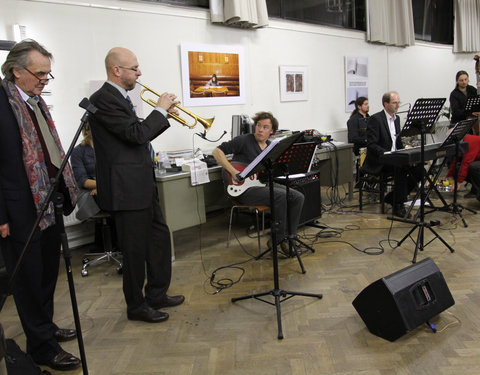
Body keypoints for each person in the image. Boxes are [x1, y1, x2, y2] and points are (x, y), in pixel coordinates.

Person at [88, 47, 184, 324]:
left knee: (158, 241)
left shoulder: (121, 98)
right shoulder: (104, 99)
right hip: (125, 190)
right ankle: (136, 305)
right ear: (117, 70)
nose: (139, 73)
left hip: (141, 184)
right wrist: (160, 110)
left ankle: (156, 294)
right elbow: (136, 135)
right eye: (134, 68)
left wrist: (162, 115)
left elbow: (134, 135)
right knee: (134, 252)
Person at [0, 40, 80, 371]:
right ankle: (42, 349)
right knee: (29, 280)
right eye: (40, 74)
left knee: (48, 273)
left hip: (47, 201)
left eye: (49, 74)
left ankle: (44, 329)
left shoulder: (35, 102)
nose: (45, 80)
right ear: (17, 71)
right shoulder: (2, 103)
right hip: (18, 210)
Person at [212, 111, 305, 249]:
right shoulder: (244, 140)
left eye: (265, 127)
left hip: (262, 184)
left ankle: (290, 237)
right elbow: (216, 152)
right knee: (281, 196)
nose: (260, 129)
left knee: (298, 197)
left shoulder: (271, 147)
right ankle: (277, 240)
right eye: (258, 125)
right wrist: (233, 171)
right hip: (244, 189)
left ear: (272, 131)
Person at [362, 91, 423, 217]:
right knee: (399, 167)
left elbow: (398, 142)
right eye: (394, 103)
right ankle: (398, 205)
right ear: (386, 104)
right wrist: (388, 154)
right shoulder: (376, 119)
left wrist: (407, 154)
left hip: (394, 157)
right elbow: (372, 144)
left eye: (398, 102)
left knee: (419, 168)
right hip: (380, 160)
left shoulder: (397, 119)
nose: (398, 105)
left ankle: (392, 197)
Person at [446, 134, 480, 201]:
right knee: (458, 169)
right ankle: (475, 190)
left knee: (473, 167)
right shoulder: (461, 141)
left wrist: (458, 182)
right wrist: (449, 176)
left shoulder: (469, 142)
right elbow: (456, 159)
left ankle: (477, 190)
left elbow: (466, 162)